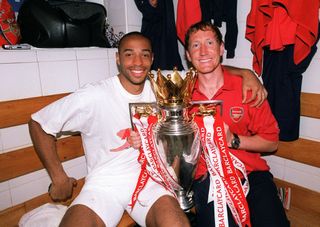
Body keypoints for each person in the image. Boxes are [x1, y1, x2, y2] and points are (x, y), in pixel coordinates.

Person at [28, 31, 265, 227]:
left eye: (144, 55)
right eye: (129, 55)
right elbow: (38, 123)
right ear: (117, 58)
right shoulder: (95, 94)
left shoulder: (161, 85)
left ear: (152, 60)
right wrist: (58, 177)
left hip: (152, 178)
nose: (137, 62)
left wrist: (247, 73)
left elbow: (204, 69)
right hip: (104, 183)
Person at [184, 21, 290, 226]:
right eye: (195, 45)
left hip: (251, 174)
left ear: (222, 48)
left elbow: (271, 143)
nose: (203, 51)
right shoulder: (181, 95)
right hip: (208, 179)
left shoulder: (248, 89)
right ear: (188, 55)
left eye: (210, 42)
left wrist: (233, 140)